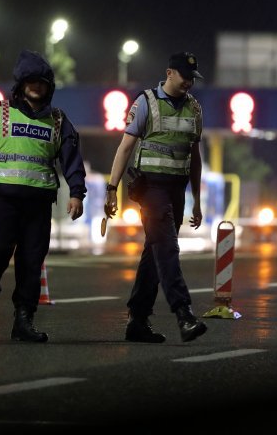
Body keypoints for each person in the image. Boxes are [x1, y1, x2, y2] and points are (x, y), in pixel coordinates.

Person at [0, 50, 87, 343]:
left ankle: (23, 322)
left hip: (38, 207)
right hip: (3, 203)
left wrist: (77, 193)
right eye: (31, 81)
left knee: (31, 263)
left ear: (49, 86)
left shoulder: (59, 121)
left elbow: (72, 160)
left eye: (43, 82)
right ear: (21, 84)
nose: (37, 86)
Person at [104, 52, 208, 343]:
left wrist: (197, 200)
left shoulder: (194, 109)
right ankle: (183, 313)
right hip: (150, 189)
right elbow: (125, 147)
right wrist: (112, 189)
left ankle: (137, 320)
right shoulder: (146, 102)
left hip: (177, 190)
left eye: (192, 78)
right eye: (184, 76)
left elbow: (195, 157)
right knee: (168, 248)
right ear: (169, 73)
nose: (189, 82)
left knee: (154, 253)